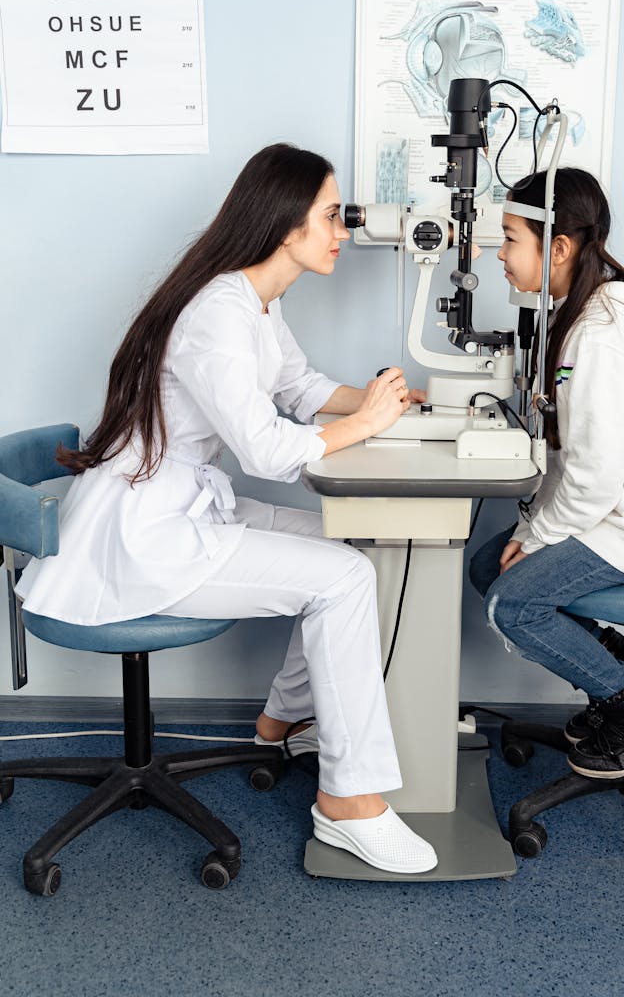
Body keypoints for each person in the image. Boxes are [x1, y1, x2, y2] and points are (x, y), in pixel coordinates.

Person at [16, 142, 437, 875]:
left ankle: (281, 720)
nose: (344, 233)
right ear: (285, 225)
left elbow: (300, 388)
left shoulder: (252, 298)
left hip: (182, 503)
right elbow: (268, 449)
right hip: (146, 532)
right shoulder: (217, 313)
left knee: (354, 553)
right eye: (333, 217)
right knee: (342, 579)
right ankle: (350, 803)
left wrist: (392, 403)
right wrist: (362, 428)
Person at [469, 167, 624, 780]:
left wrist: (537, 536)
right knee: (485, 563)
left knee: (510, 605)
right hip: (618, 504)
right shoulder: (580, 310)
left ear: (558, 248)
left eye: (508, 239)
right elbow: (576, 458)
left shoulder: (597, 339)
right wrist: (531, 529)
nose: (498, 254)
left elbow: (596, 477)